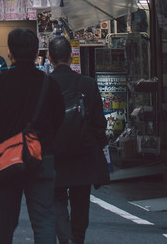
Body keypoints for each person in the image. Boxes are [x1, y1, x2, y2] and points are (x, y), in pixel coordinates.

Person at [0, 29, 66, 244]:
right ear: (37, 52)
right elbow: (58, 118)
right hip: (40, 156)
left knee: (6, 218)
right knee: (44, 218)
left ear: (10, 53)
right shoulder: (49, 84)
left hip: (6, 158)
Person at [47, 35, 108, 244]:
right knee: (81, 201)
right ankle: (78, 239)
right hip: (83, 153)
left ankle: (64, 238)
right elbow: (100, 124)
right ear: (71, 57)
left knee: (56, 198)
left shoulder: (45, 84)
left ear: (49, 58)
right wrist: (96, 146)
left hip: (53, 154)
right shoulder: (87, 84)